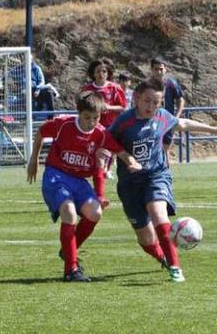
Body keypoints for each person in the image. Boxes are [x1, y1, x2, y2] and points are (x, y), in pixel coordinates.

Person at [110, 79, 217, 282]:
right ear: (137, 99)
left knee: (158, 213)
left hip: (156, 175)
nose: (151, 107)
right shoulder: (124, 121)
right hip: (130, 184)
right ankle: (163, 258)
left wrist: (213, 129)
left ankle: (175, 267)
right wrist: (125, 157)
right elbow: (107, 141)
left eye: (156, 102)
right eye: (148, 101)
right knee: (145, 238)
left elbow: (182, 123)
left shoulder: (162, 117)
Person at [27, 92, 141, 282]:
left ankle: (68, 250)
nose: (91, 122)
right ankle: (71, 270)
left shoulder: (101, 134)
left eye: (95, 118)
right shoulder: (64, 124)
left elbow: (120, 151)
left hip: (79, 181)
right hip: (57, 175)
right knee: (69, 213)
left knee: (95, 213)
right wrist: (34, 160)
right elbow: (41, 132)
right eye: (87, 117)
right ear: (79, 113)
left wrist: (132, 162)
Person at [82, 59, 128, 206]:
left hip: (109, 129)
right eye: (98, 71)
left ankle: (99, 195)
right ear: (93, 73)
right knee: (97, 160)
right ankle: (96, 192)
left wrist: (108, 107)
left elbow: (122, 107)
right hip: (92, 128)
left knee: (101, 159)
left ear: (108, 73)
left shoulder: (114, 88)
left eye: (104, 71)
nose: (101, 74)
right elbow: (81, 108)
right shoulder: (87, 89)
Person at [148, 56, 184, 163]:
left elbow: (180, 100)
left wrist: (176, 117)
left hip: (166, 121)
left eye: (161, 69)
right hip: (151, 121)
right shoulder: (147, 85)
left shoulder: (171, 83)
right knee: (153, 148)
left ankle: (165, 172)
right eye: (156, 69)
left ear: (165, 69)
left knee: (165, 148)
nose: (159, 72)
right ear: (151, 69)